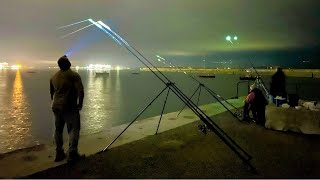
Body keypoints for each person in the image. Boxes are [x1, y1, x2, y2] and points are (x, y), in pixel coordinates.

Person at [50, 55, 84, 162]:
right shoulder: (74, 75)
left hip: (56, 106)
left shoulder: (53, 77)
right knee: (74, 129)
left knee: (58, 130)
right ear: (68, 64)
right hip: (69, 106)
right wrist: (80, 104)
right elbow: (80, 91)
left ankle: (59, 153)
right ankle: (72, 153)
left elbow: (52, 94)